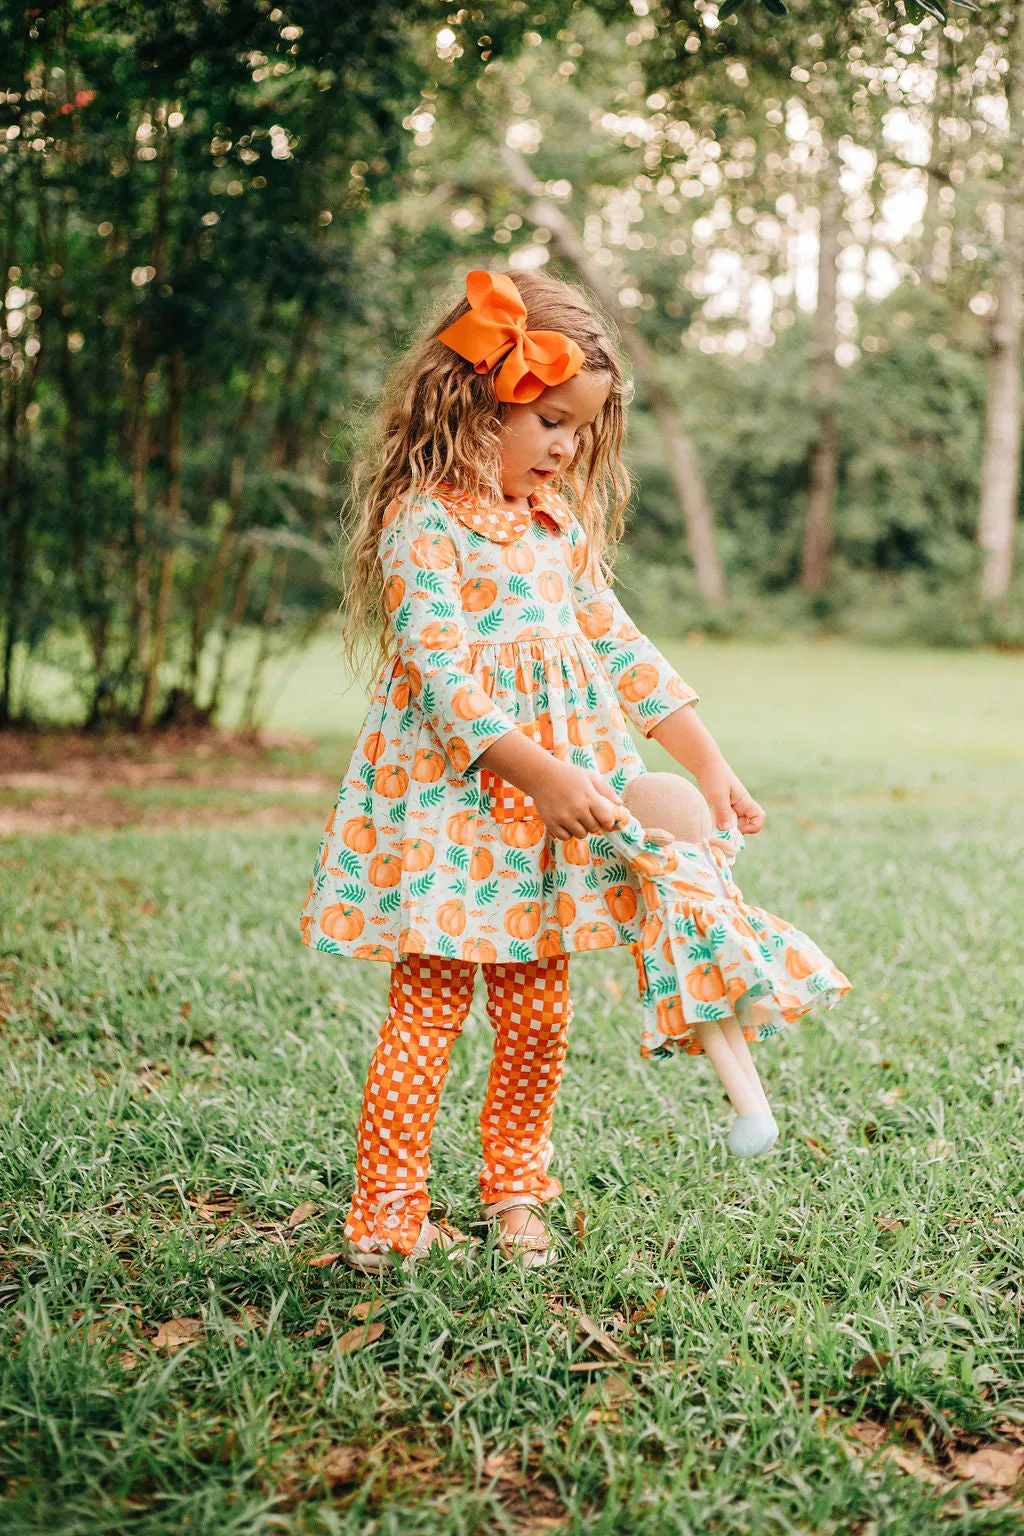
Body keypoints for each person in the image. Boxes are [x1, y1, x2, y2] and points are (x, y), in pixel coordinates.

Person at [301, 269, 765, 1271]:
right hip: (455, 811)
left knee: (537, 1018)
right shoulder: (424, 525)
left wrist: (707, 761)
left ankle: (516, 1191)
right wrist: (539, 772)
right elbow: (442, 678)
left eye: (580, 432)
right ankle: (386, 1216)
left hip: (550, 827)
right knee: (427, 1009)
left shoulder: (558, 529)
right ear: (475, 405)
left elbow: (624, 651)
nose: (565, 448)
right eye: (550, 420)